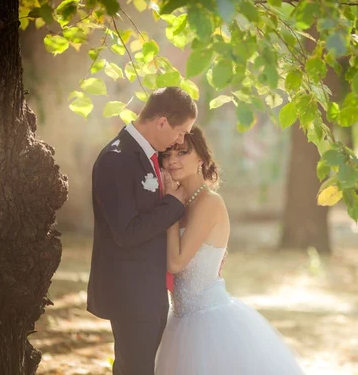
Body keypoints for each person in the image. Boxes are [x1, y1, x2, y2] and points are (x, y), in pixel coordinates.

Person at [154, 126, 305, 375]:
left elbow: (176, 263)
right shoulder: (183, 201)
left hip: (209, 321)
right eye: (167, 155)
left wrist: (170, 210)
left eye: (182, 153)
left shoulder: (209, 202)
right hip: (179, 319)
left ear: (201, 157)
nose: (172, 161)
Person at [87, 87, 196, 375]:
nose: (181, 140)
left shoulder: (151, 157)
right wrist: (174, 204)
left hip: (151, 290)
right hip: (131, 294)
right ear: (161, 122)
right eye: (181, 131)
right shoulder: (116, 158)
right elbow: (126, 232)